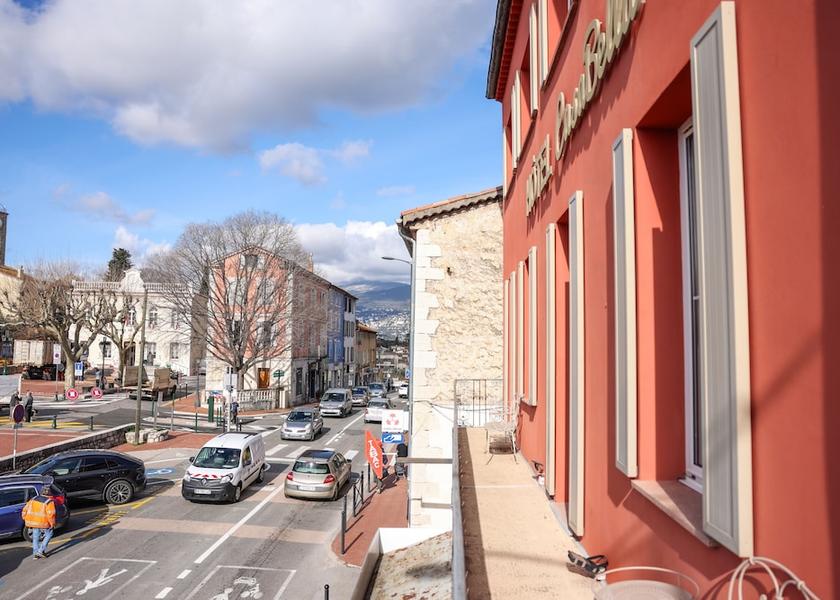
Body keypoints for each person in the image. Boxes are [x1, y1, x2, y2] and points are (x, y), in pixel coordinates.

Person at [22, 483, 56, 559]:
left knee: (35, 537)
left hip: (33, 522)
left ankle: (36, 553)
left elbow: (25, 509)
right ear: (50, 493)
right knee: (49, 534)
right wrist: (52, 524)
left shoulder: (33, 499)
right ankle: (41, 551)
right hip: (43, 522)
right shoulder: (49, 502)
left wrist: (25, 518)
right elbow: (51, 514)